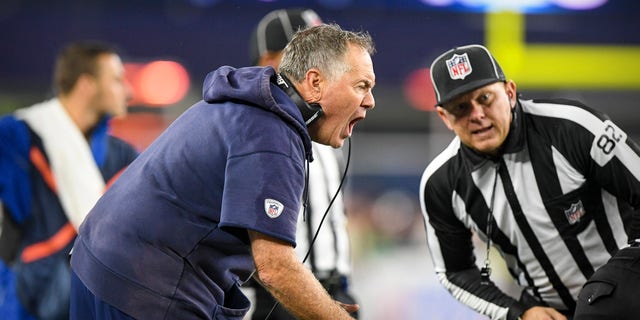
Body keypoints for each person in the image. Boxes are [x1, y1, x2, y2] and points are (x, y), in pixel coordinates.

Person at [69, 23, 375, 320]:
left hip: (96, 267)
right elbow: (275, 268)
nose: (370, 101)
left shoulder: (244, 106)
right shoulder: (271, 133)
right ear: (315, 82)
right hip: (143, 287)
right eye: (361, 86)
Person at [419, 44, 640, 320]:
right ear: (444, 117)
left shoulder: (571, 126)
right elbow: (455, 272)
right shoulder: (440, 183)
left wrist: (622, 279)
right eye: (460, 107)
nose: (476, 115)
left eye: (485, 98)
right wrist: (520, 313)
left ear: (509, 92)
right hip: (549, 309)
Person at [0, 41, 138, 320]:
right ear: (87, 84)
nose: (129, 91)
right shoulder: (16, 139)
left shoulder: (121, 156)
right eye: (117, 80)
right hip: (25, 306)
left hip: (95, 305)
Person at [246, 8, 359, 320]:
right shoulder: (255, 128)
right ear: (271, 60)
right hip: (281, 296)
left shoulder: (324, 124)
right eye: (311, 55)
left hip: (337, 287)